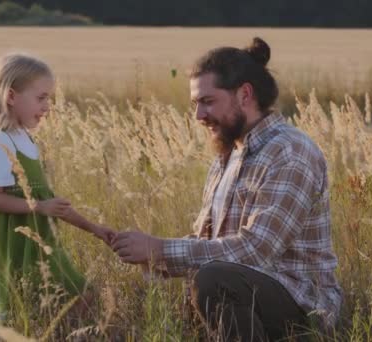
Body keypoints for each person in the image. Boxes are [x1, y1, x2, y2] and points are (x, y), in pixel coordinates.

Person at [111, 37, 342, 341]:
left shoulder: (290, 152)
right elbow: (212, 243)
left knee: (214, 280)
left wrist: (161, 249)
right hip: (250, 296)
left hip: (304, 306)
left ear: (244, 94)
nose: (198, 116)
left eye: (207, 102)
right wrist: (150, 254)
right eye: (196, 105)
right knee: (208, 281)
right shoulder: (227, 157)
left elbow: (256, 251)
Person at [0, 52, 114, 324]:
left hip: (42, 242)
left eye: (49, 98)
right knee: (28, 309)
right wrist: (39, 207)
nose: (48, 106)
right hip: (15, 245)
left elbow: (51, 203)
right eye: (41, 98)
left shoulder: (26, 139)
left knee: (78, 297)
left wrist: (96, 230)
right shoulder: (0, 140)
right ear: (11, 96)